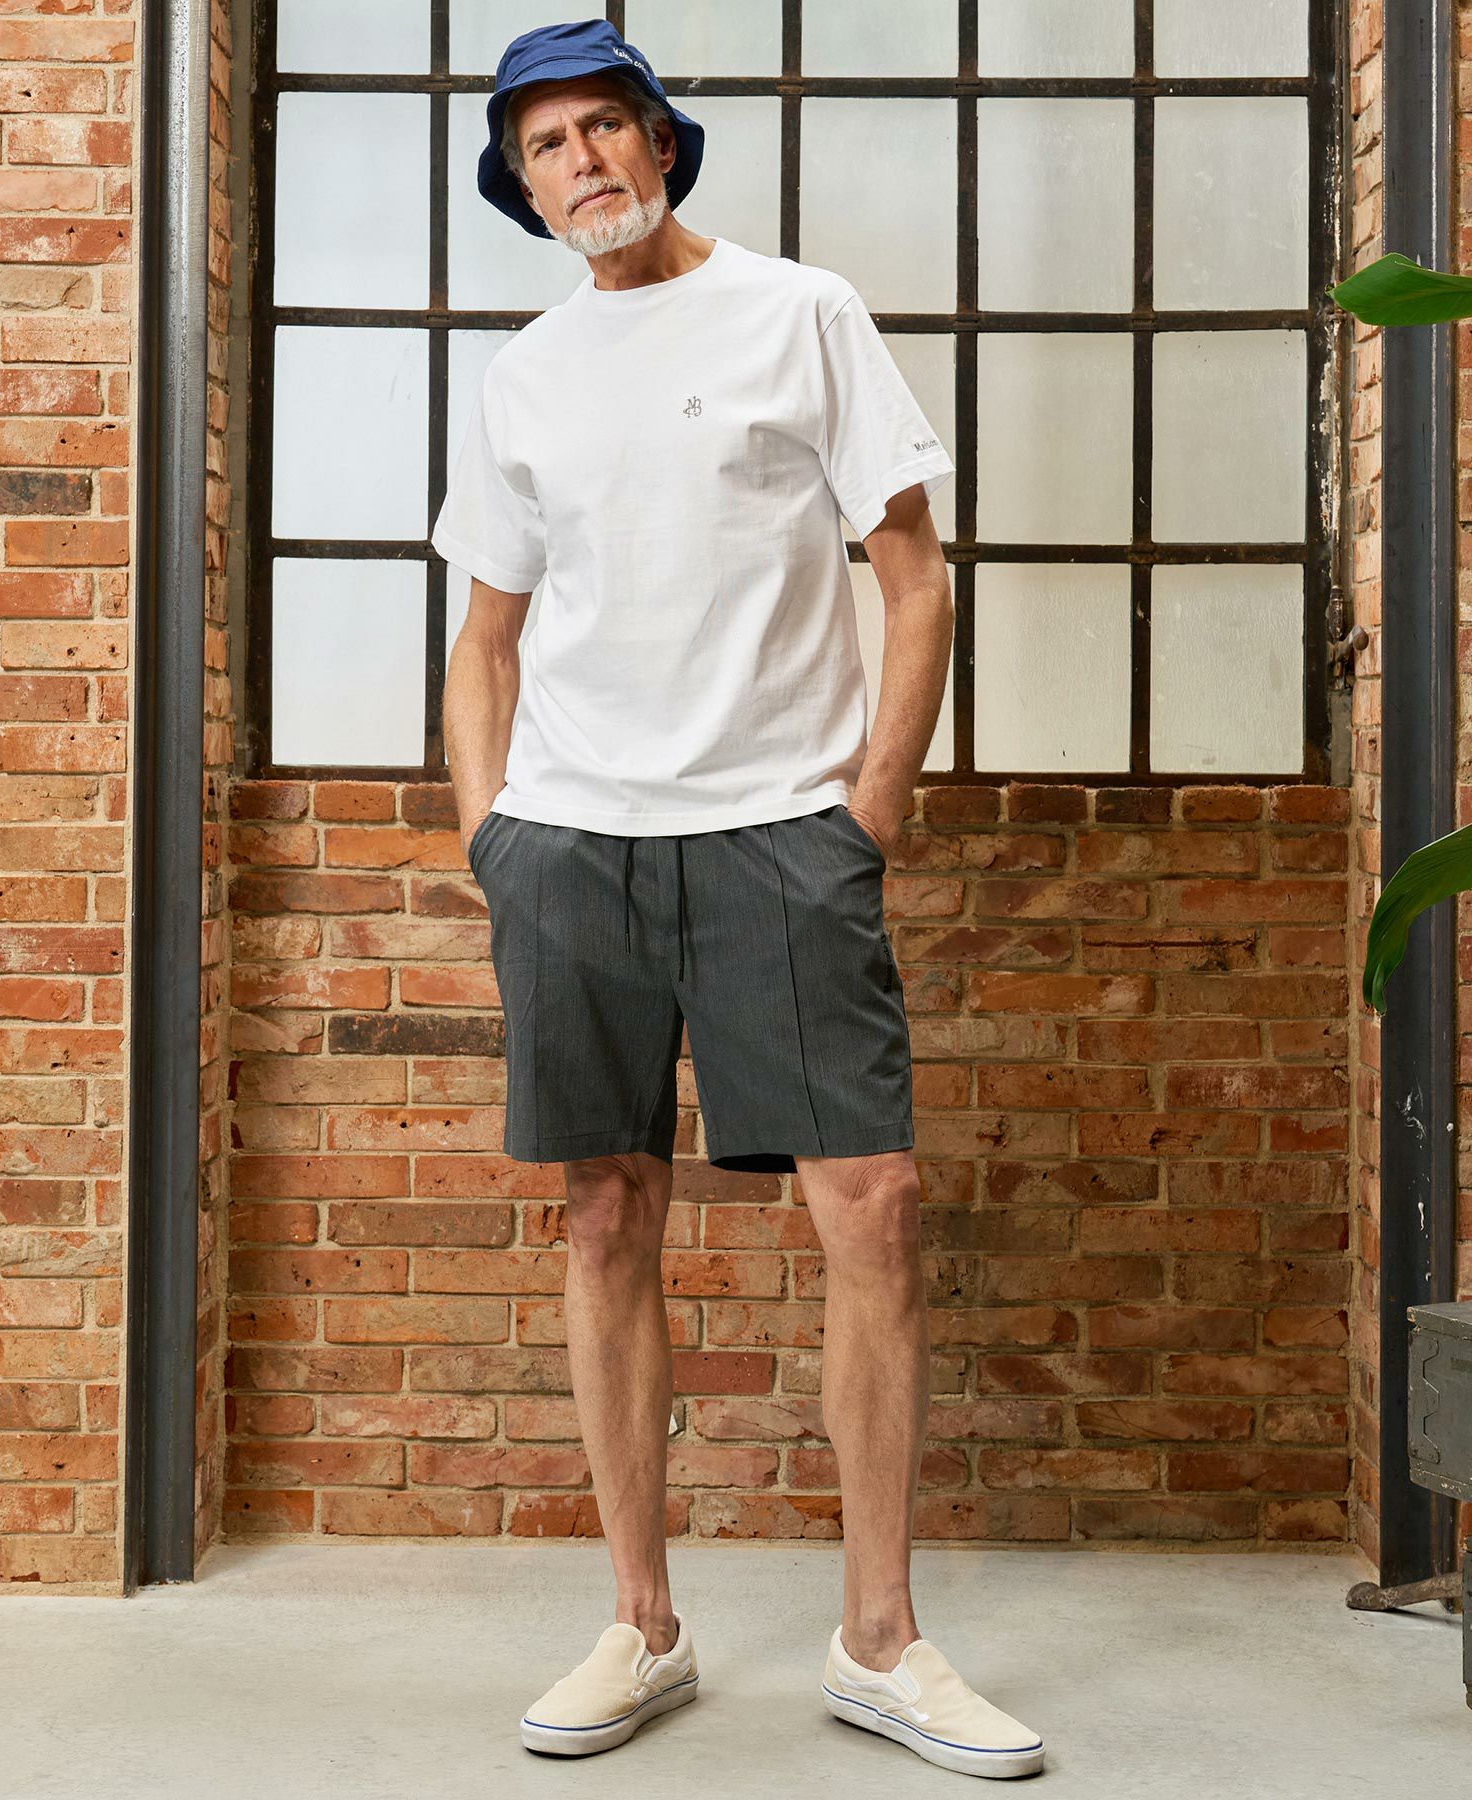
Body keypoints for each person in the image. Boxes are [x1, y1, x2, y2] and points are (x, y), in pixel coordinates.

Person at [432, 18, 1045, 1783]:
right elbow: (486, 638)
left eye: (604, 129)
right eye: (546, 146)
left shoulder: (801, 313)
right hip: (573, 842)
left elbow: (913, 579)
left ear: (662, 143)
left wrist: (869, 809)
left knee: (875, 1204)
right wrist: (493, 834)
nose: (583, 165)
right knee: (604, 1214)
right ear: (525, 186)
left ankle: (881, 1640)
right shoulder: (527, 374)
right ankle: (642, 1622)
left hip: (783, 831)